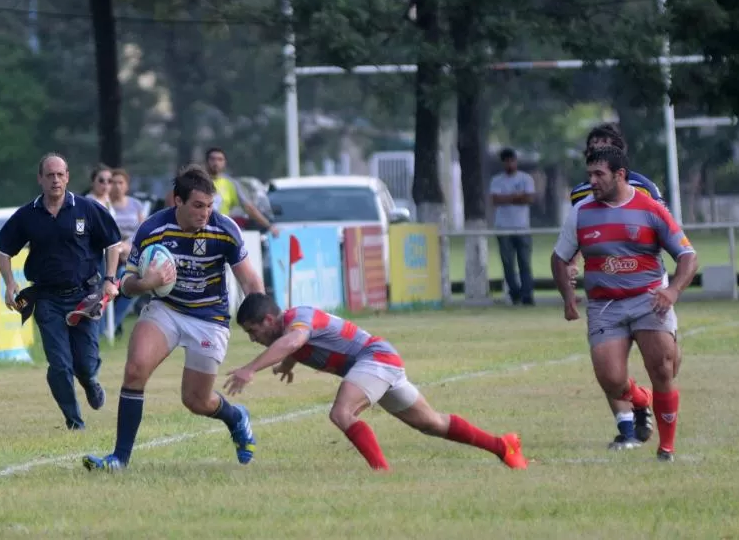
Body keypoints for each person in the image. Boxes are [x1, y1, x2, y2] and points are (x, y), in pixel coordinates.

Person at [83, 164, 266, 472]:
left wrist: (259, 318)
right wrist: (147, 283)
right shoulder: (153, 229)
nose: (205, 213)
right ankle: (119, 459)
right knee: (135, 369)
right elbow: (126, 286)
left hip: (209, 318)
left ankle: (236, 417)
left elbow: (250, 281)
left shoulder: (223, 229)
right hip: (167, 309)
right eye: (197, 205)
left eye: (209, 206)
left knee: (196, 401)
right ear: (177, 201)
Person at [223, 292, 529, 472]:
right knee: (432, 424)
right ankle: (502, 446)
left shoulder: (299, 318)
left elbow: (294, 341)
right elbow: (292, 346)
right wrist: (288, 365)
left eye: (253, 331)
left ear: (268, 321)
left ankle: (382, 473)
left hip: (375, 359)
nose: (253, 339)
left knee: (342, 413)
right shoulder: (287, 330)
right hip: (378, 364)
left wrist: (250, 370)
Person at [550, 146, 698, 462]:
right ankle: (640, 399)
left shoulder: (651, 209)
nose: (591, 181)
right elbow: (559, 258)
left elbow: (687, 256)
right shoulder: (581, 213)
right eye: (589, 174)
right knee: (611, 380)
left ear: (619, 175)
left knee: (662, 369)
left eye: (598, 174)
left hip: (649, 301)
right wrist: (568, 299)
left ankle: (666, 448)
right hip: (605, 306)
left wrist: (671, 292)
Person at [0, 153, 122, 431]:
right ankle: (74, 421)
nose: (55, 180)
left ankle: (89, 381)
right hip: (48, 299)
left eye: (60, 174)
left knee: (85, 364)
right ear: (40, 179)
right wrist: (9, 283)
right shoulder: (27, 215)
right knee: (60, 365)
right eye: (49, 175)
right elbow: (3, 249)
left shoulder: (87, 209)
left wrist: (110, 279)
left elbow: (113, 243)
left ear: (67, 177)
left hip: (85, 297)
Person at [568, 123, 670, 444]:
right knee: (608, 366)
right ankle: (628, 425)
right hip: (604, 287)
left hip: (645, 282)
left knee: (662, 361)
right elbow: (577, 234)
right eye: (592, 146)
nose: (596, 150)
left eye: (604, 145)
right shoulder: (580, 193)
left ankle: (660, 419)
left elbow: (665, 229)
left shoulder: (644, 188)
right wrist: (571, 263)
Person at [489, 148, 536, 305]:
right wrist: (517, 196)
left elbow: (529, 198)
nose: (510, 164)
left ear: (516, 161)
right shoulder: (496, 180)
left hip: (522, 227)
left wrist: (507, 198)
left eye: (512, 160)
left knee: (525, 262)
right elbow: (495, 200)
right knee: (508, 263)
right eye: (507, 161)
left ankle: (527, 295)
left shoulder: (526, 179)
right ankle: (514, 293)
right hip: (503, 228)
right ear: (503, 162)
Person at [108, 167, 146, 336]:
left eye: (120, 183)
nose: (116, 186)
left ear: (127, 186)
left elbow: (143, 231)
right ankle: (107, 327)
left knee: (135, 283)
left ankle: (113, 324)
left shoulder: (135, 204)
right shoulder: (104, 204)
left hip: (132, 254)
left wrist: (128, 247)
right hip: (110, 254)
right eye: (113, 182)